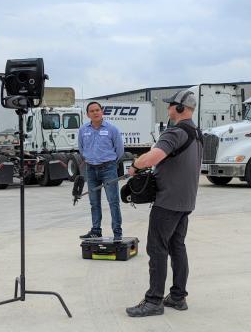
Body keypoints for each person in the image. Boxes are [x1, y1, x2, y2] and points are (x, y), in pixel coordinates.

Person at [125, 90, 202, 317]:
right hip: (186, 201)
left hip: (167, 202)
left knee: (157, 249)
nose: (168, 109)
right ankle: (178, 297)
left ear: (179, 108)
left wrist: (135, 167)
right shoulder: (197, 132)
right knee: (177, 247)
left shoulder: (175, 132)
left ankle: (154, 301)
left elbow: (153, 156)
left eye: (170, 106)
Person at [78, 101, 125, 240]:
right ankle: (96, 230)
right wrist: (90, 159)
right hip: (91, 170)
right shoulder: (83, 130)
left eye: (97, 110)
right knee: (94, 202)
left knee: (113, 201)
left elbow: (120, 150)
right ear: (88, 115)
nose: (95, 112)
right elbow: (81, 149)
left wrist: (110, 164)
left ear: (102, 111)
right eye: (92, 111)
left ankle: (117, 232)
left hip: (108, 169)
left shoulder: (112, 129)